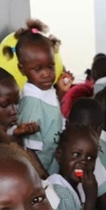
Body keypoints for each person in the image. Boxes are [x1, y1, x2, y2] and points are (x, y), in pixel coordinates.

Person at [8, 19, 67, 175]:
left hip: (52, 168)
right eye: (38, 69)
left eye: (50, 66)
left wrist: (61, 92)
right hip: (41, 174)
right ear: (22, 69)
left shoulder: (44, 90)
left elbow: (51, 114)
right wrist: (46, 179)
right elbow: (29, 152)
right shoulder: (31, 103)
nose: (46, 74)